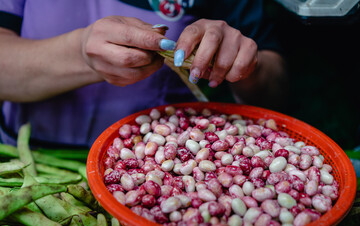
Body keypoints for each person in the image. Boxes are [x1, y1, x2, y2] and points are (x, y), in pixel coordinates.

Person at [0, 0, 286, 148]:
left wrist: (244, 64)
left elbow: (274, 87)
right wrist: (79, 52)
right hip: (34, 158)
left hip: (161, 169)